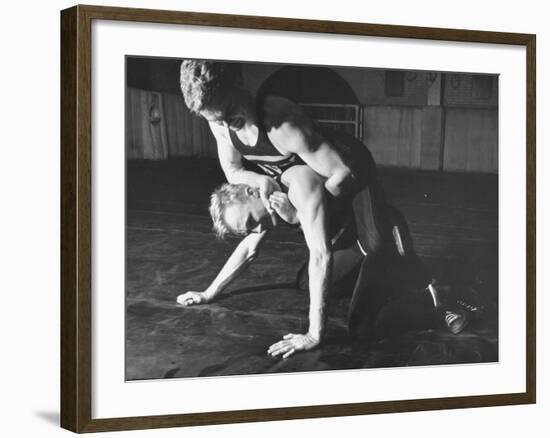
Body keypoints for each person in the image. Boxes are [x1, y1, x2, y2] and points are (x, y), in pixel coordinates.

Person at [177, 165, 468, 358]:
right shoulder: (267, 203)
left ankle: (439, 299)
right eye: (248, 228)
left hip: (381, 238)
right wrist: (209, 292)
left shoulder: (297, 185)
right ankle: (384, 285)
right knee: (306, 283)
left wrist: (314, 334)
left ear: (253, 191)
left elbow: (321, 254)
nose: (257, 230)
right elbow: (248, 250)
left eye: (252, 220)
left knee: (362, 330)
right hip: (354, 245)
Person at [179, 60, 383, 255]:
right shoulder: (222, 125)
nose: (226, 125)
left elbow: (342, 175)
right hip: (314, 185)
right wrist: (261, 180)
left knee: (376, 250)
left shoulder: (280, 121)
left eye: (229, 113)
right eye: (216, 120)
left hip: (352, 171)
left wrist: (299, 216)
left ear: (238, 84)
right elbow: (232, 171)